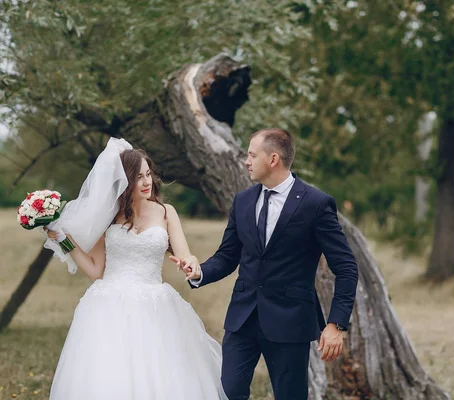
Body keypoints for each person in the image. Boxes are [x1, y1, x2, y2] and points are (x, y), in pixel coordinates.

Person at [176, 128, 359, 400]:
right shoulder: (243, 201)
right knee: (228, 392)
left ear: (273, 159)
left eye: (252, 155)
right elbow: (228, 256)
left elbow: (346, 267)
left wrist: (337, 324)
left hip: (290, 321)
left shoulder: (316, 204)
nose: (246, 161)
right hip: (242, 318)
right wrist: (199, 271)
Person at [45, 139, 227, 400]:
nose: (146, 182)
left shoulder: (166, 212)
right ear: (123, 181)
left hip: (155, 304)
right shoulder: (109, 218)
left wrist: (191, 263)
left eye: (148, 174)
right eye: (138, 177)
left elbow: (185, 254)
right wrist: (64, 240)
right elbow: (95, 270)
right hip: (108, 307)